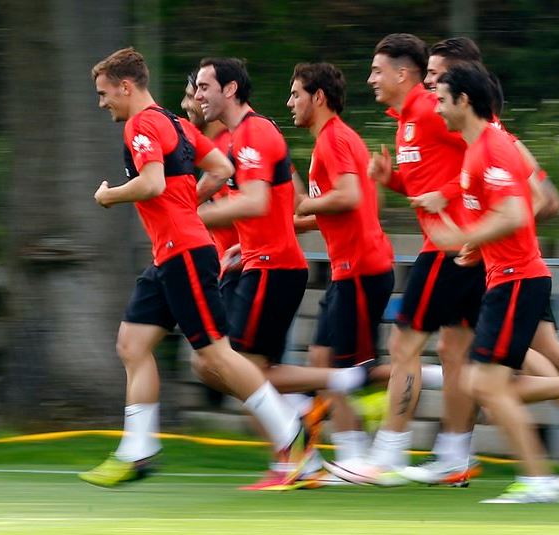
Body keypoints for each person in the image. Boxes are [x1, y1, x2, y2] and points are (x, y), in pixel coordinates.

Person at [80, 47, 316, 488]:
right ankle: (138, 451)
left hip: (184, 252)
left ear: (125, 87)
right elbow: (221, 167)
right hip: (168, 253)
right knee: (132, 344)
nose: (102, 102)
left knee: (215, 354)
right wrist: (185, 205)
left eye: (104, 93)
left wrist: (111, 196)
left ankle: (291, 434)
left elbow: (151, 182)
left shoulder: (142, 124)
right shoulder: (177, 123)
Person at [423, 37, 559, 490]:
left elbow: (521, 210)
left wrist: (465, 235)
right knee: (489, 379)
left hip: (516, 278)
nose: (433, 104)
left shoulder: (495, 146)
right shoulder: (478, 150)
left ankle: (547, 466)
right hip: (507, 276)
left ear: (464, 97)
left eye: (438, 93)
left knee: (488, 381)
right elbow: (508, 213)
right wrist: (474, 246)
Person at [194, 57, 381, 489]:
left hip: (273, 267)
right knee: (240, 369)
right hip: (263, 263)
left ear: (232, 90)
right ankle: (300, 433)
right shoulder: (245, 137)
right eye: (195, 89)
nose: (198, 95)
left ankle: (309, 428)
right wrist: (248, 237)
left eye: (204, 87)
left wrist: (193, 216)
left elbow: (263, 202)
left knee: (235, 368)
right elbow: (286, 202)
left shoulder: (255, 133)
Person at [322, 33, 486, 487]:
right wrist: (392, 180)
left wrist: (451, 198)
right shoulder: (406, 119)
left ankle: (388, 454)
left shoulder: (434, 111)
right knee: (458, 351)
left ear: (402, 74)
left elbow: (489, 155)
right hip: (460, 246)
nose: (370, 79)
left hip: (452, 248)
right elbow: (432, 182)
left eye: (377, 71)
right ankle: (455, 457)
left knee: (403, 347)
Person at [286, 62, 396, 479]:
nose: (289, 103)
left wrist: (301, 203)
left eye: (296, 94)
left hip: (362, 270)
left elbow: (348, 197)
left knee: (351, 371)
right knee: (322, 360)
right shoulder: (332, 141)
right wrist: (291, 222)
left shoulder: (333, 141)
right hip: (348, 271)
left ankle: (429, 376)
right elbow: (349, 207)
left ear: (318, 97)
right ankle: (351, 454)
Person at [181, 71, 240, 313]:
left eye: (191, 96)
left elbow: (253, 206)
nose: (185, 104)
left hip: (240, 270)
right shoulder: (218, 146)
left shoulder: (229, 145)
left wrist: (181, 216)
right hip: (227, 270)